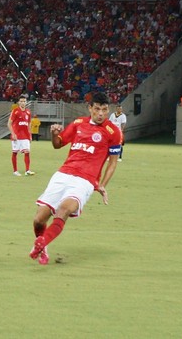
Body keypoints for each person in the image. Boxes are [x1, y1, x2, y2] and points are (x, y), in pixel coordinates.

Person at [28, 92, 122, 265]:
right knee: (39, 219)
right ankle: (43, 248)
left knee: (63, 210)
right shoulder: (78, 123)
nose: (101, 113)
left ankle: (42, 242)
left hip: (85, 180)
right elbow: (58, 144)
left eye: (104, 109)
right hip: (63, 174)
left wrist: (101, 185)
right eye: (97, 109)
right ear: (90, 109)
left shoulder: (113, 132)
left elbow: (113, 163)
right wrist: (55, 134)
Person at [7, 95, 35, 176]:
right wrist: (13, 134)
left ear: (26, 102)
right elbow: (9, 123)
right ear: (19, 102)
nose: (23, 103)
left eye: (24, 101)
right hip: (16, 136)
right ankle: (15, 171)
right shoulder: (15, 111)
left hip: (25, 136)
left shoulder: (28, 112)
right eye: (21, 101)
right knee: (15, 153)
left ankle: (27, 170)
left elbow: (29, 124)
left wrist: (30, 135)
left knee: (27, 152)